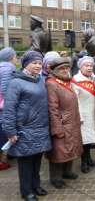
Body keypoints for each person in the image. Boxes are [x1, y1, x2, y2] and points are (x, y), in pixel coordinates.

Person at [2, 51, 51, 201]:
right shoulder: (15, 82)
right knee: (25, 161)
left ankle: (36, 186)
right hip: (24, 129)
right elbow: (9, 109)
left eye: (39, 63)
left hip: (40, 127)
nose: (37, 66)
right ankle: (26, 191)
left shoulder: (38, 80)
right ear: (25, 64)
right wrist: (10, 132)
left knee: (37, 159)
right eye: (34, 63)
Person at [45, 57, 83, 189]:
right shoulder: (52, 83)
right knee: (58, 152)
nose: (65, 70)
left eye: (66, 68)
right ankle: (56, 178)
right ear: (55, 70)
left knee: (70, 148)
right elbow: (52, 108)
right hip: (61, 122)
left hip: (71, 121)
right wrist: (57, 128)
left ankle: (67, 172)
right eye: (62, 68)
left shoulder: (64, 81)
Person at [71, 56, 95, 173]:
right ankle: (84, 161)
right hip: (83, 113)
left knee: (90, 138)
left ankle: (89, 157)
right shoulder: (76, 80)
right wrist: (80, 116)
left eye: (90, 66)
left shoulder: (94, 78)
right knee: (84, 139)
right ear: (80, 67)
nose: (89, 68)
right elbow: (75, 101)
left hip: (93, 112)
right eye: (86, 66)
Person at [0, 47, 17, 170]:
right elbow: (6, 90)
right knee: (3, 133)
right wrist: (9, 106)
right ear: (9, 58)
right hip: (4, 107)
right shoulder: (7, 69)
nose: (16, 59)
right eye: (15, 57)